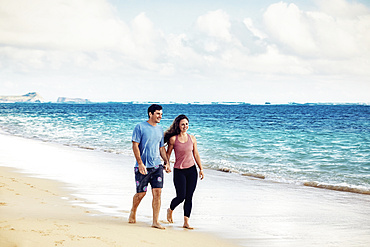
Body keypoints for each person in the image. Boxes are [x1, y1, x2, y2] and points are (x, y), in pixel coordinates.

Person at [129, 104, 171, 229]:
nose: (160, 116)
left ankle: (155, 221)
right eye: (158, 114)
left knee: (157, 193)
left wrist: (167, 162)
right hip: (142, 166)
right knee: (141, 194)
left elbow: (161, 148)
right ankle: (133, 210)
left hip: (157, 166)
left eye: (161, 114)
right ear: (150, 114)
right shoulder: (140, 127)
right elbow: (135, 145)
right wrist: (140, 163)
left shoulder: (160, 129)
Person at [164, 114, 204, 229]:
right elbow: (168, 154)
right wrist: (167, 165)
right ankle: (170, 209)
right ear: (178, 125)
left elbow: (196, 154)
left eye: (186, 124)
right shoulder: (173, 139)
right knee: (181, 196)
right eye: (182, 124)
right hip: (179, 171)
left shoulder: (192, 138)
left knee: (189, 197)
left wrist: (201, 169)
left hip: (192, 170)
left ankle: (186, 222)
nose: (185, 126)